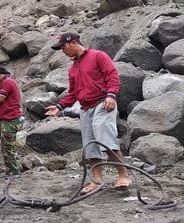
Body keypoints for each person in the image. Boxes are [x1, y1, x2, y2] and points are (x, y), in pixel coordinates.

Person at [45, 32, 130, 194]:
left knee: (104, 135)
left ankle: (123, 175)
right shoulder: (72, 69)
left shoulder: (98, 56)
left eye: (63, 47)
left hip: (103, 103)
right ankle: (97, 181)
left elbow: (112, 76)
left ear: (72, 43)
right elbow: (73, 93)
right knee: (90, 144)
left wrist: (111, 95)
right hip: (85, 108)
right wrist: (59, 107)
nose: (62, 51)